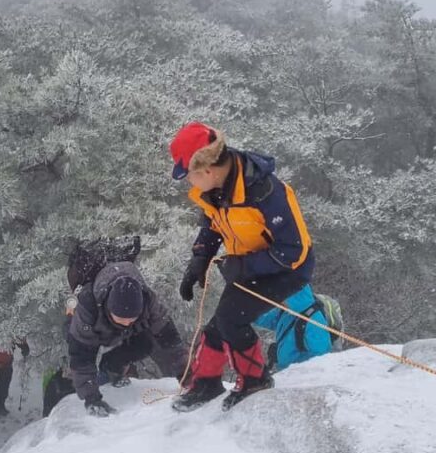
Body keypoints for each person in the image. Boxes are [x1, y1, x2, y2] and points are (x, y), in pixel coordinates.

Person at [169, 121, 330, 412]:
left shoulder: (265, 192)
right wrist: (199, 259)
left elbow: (293, 250)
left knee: (232, 318)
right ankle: (207, 382)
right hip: (250, 262)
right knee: (222, 321)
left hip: (288, 268)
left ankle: (255, 380)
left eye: (188, 176)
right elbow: (213, 224)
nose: (188, 183)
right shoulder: (217, 189)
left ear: (206, 170)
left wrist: (241, 267)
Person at [67, 261, 188, 416]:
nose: (125, 323)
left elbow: (172, 343)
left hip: (124, 331)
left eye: (131, 319)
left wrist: (186, 374)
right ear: (108, 309)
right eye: (121, 319)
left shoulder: (149, 301)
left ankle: (111, 368)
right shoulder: (87, 305)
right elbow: (80, 356)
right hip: (91, 327)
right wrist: (91, 399)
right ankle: (86, 387)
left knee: (145, 344)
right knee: (80, 350)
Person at [0, 337, 30, 416]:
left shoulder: (10, 330)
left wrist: (25, 348)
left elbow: (20, 341)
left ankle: (0, 405)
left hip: (6, 363)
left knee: (4, 386)